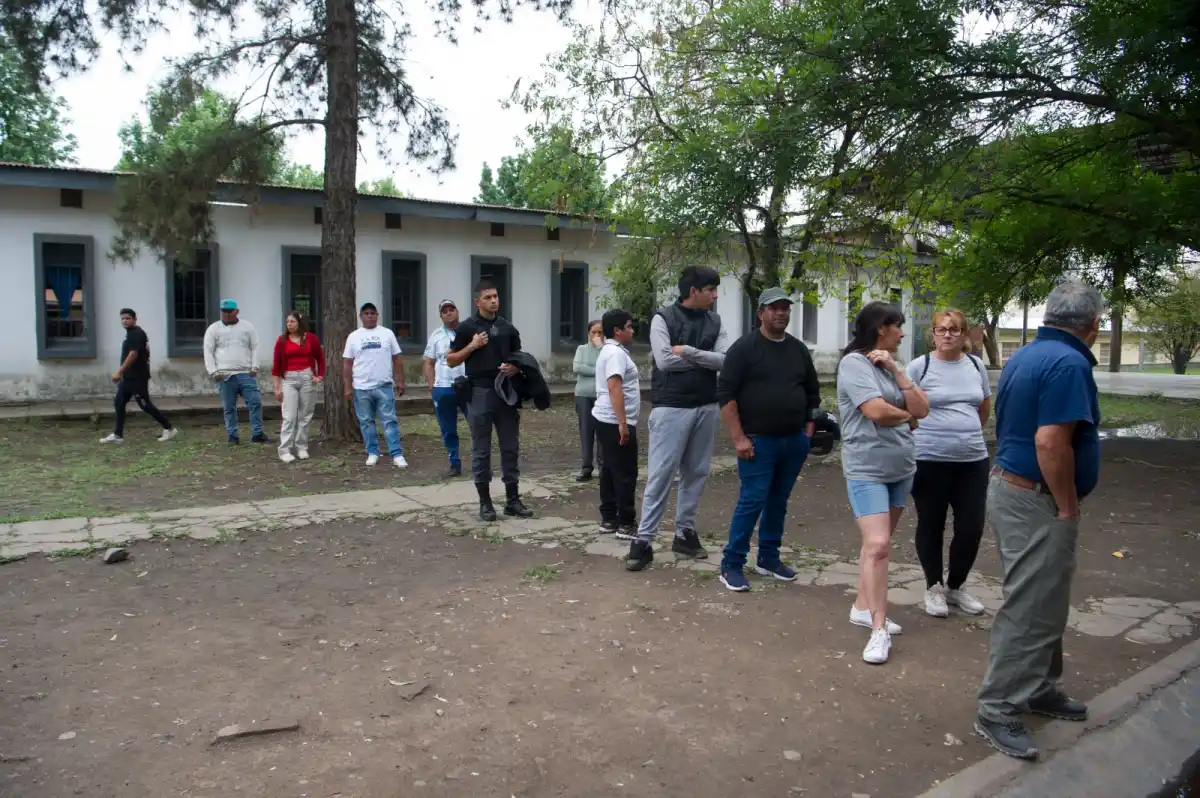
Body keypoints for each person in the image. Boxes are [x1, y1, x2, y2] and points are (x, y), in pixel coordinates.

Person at [974, 281, 1103, 761]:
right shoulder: (1069, 363)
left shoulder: (1027, 355)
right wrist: (1066, 505)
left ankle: (1039, 686)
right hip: (1036, 497)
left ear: (1049, 316)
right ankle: (998, 708)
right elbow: (1050, 442)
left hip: (1013, 489)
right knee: (1030, 606)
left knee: (1044, 598)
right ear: (1093, 326)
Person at [837, 300, 929, 664]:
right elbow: (874, 410)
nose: (902, 334)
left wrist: (896, 370)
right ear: (881, 328)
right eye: (898, 327)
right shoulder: (853, 364)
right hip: (867, 468)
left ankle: (863, 607)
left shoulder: (890, 366)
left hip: (901, 468)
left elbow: (923, 409)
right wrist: (907, 416)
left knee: (875, 546)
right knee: (878, 546)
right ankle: (878, 630)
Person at [715, 288, 822, 590]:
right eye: (774, 308)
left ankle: (768, 557)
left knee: (778, 501)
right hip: (757, 442)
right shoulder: (744, 349)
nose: (781, 313)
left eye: (785, 308)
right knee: (752, 501)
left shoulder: (797, 349)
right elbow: (726, 395)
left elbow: (812, 391)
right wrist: (738, 438)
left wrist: (808, 432)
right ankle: (731, 564)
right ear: (761, 313)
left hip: (793, 441)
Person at [625, 266, 730, 572]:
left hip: (706, 405)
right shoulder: (663, 318)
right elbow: (664, 361)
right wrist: (704, 360)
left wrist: (688, 352)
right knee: (661, 474)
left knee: (696, 472)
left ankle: (685, 533)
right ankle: (643, 541)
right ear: (693, 291)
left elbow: (725, 360)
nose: (715, 295)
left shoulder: (715, 321)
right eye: (710, 289)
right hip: (671, 407)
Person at [906, 309, 991, 618]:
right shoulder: (920, 367)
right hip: (929, 460)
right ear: (932, 334)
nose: (947, 335)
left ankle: (955, 587)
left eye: (954, 330)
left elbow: (983, 407)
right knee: (932, 523)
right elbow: (906, 409)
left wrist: (963, 434)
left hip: (972, 461)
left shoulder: (975, 366)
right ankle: (933, 587)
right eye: (941, 329)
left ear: (964, 334)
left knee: (971, 527)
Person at [446, 280, 534, 522]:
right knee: (481, 449)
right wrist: (472, 346)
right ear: (478, 302)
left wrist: (515, 368)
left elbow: (519, 358)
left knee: (510, 447)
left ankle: (512, 500)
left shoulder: (508, 328)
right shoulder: (467, 327)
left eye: (496, 296)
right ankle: (485, 503)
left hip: (505, 392)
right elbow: (451, 360)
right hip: (480, 392)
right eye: (488, 297)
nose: (494, 301)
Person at [592, 310, 640, 537]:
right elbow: (614, 387)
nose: (632, 330)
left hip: (607, 418)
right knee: (624, 471)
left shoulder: (612, 351)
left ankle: (609, 518)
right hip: (614, 420)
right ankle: (625, 523)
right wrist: (623, 422)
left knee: (611, 469)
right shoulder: (615, 354)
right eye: (628, 326)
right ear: (617, 330)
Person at [342, 302, 407, 468]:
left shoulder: (387, 334)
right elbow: (347, 363)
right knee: (366, 422)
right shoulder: (354, 337)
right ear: (361, 317)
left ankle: (396, 454)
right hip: (361, 387)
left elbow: (397, 359)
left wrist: (400, 380)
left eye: (373, 313)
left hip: (384, 385)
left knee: (389, 421)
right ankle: (372, 452)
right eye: (366, 313)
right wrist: (347, 387)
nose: (370, 316)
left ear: (377, 315)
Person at [100, 308, 177, 444]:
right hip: (128, 377)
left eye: (128, 318)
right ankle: (118, 435)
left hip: (137, 378)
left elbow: (133, 354)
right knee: (119, 402)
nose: (125, 321)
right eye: (122, 318)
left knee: (145, 405)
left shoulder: (136, 333)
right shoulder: (131, 333)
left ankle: (169, 428)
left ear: (135, 319)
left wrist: (119, 372)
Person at [204, 299, 269, 445]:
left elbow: (255, 346)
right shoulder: (213, 329)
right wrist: (213, 371)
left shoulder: (247, 327)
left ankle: (257, 433)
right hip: (225, 374)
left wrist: (254, 367)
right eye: (224, 311)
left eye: (229, 312)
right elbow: (208, 351)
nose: (226, 314)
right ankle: (233, 436)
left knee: (255, 402)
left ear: (237, 311)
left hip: (245, 372)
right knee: (229, 407)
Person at [271, 310, 325, 463]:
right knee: (289, 416)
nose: (289, 324)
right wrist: (277, 388)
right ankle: (285, 450)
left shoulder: (311, 339)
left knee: (305, 415)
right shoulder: (282, 341)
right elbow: (276, 366)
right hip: (289, 379)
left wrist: (319, 376)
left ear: (300, 323)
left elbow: (320, 359)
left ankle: (301, 446)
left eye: (292, 321)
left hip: (307, 377)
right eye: (288, 322)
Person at [423, 299, 469, 478]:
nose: (449, 313)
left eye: (452, 309)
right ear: (441, 316)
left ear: (457, 311)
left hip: (467, 386)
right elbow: (428, 363)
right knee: (448, 429)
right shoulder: (436, 336)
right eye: (445, 311)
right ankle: (454, 463)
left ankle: (481, 461)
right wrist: (432, 386)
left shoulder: (469, 331)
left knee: (478, 424)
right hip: (443, 387)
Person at [572, 320, 605, 481]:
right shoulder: (582, 349)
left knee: (603, 432)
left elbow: (608, 366)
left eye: (600, 332)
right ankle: (586, 467)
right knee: (586, 430)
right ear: (588, 334)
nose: (596, 335)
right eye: (593, 332)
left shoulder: (607, 350)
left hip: (602, 395)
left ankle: (603, 466)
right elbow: (577, 367)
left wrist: (600, 348)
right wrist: (598, 370)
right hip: (584, 394)